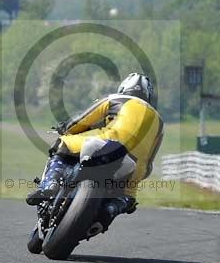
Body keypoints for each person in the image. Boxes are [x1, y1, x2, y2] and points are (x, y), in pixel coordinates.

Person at [25, 73, 163, 228]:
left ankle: (50, 185)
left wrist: (65, 128)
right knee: (127, 198)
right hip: (135, 167)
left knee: (62, 145)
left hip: (107, 146)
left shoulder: (115, 99)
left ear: (124, 88)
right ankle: (112, 209)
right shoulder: (160, 123)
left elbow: (81, 120)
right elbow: (150, 158)